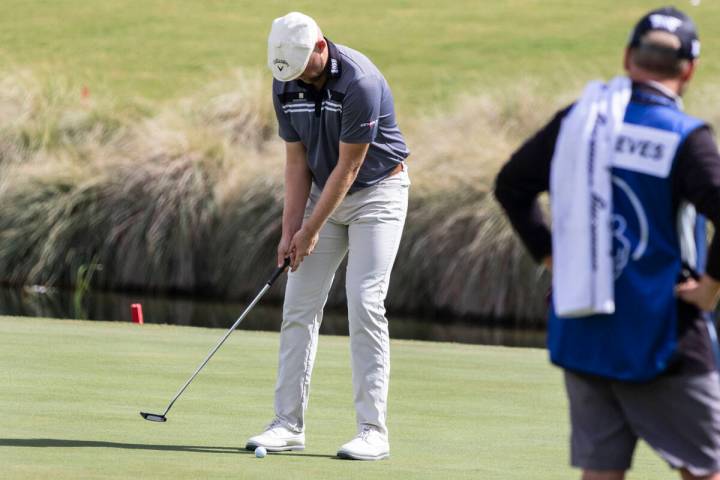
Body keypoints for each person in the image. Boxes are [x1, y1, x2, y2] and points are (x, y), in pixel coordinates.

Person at [495, 7, 720, 480]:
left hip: (585, 329)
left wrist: (552, 256)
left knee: (601, 473)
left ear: (627, 57)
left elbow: (511, 185)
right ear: (690, 69)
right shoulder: (687, 137)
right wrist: (711, 289)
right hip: (665, 334)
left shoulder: (578, 118)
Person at [245, 12, 410, 461]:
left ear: (321, 46)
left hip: (378, 193)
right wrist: (290, 233)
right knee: (298, 303)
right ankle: (286, 424)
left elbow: (350, 167)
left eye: (303, 67)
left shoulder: (361, 82)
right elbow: (297, 164)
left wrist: (311, 229)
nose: (297, 78)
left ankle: (373, 431)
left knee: (365, 300)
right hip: (323, 192)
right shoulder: (286, 80)